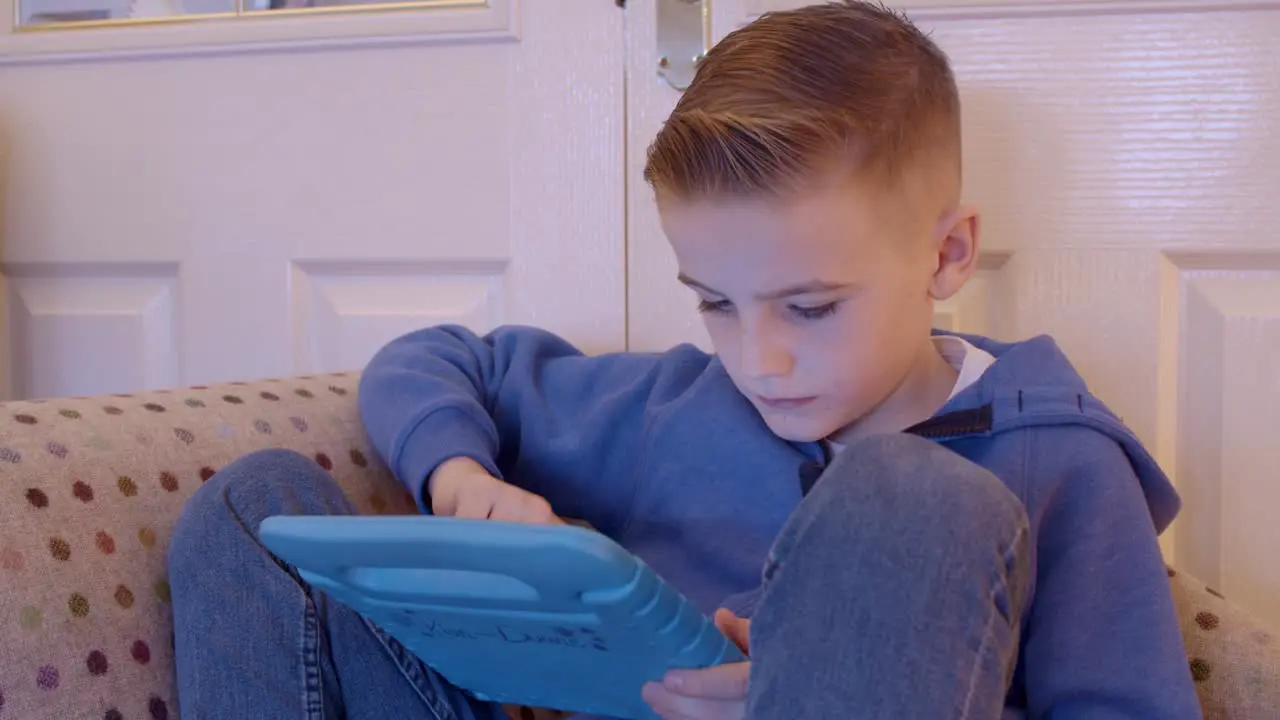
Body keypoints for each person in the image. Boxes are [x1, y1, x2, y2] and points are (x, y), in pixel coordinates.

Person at [167, 2, 1202, 718]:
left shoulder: (1058, 461)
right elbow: (437, 362)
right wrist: (459, 475)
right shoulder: (671, 406)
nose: (760, 359)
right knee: (248, 508)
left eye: (809, 304)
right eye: (714, 303)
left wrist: (822, 684)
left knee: (910, 498)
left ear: (945, 254)